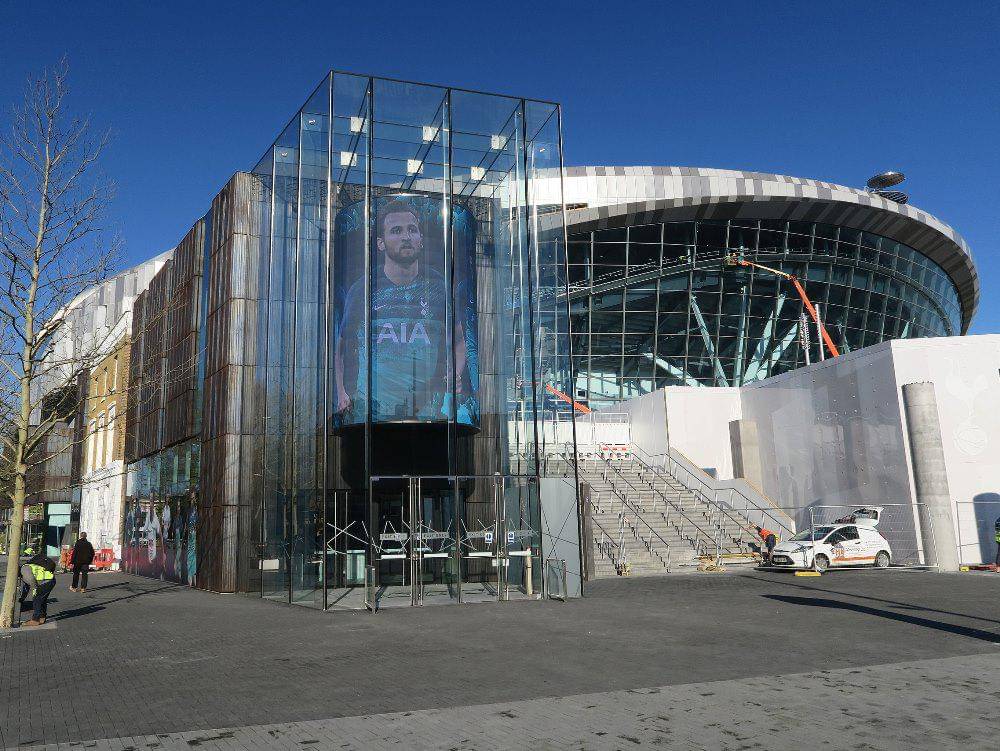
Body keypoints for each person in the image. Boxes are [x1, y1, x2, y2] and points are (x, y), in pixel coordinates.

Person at [334, 199, 467, 423]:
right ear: (381, 243)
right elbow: (340, 347)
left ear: (421, 240)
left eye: (411, 230)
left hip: (426, 415)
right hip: (371, 414)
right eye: (396, 231)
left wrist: (456, 373)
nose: (406, 236)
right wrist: (341, 393)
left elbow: (460, 339)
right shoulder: (363, 289)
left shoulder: (438, 287)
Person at [22, 552, 56, 627]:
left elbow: (31, 580)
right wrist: (22, 598)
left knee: (37, 600)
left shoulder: (24, 569)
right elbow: (26, 588)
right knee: (42, 600)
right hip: (50, 580)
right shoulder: (28, 567)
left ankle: (35, 620)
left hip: (46, 582)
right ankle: (42, 617)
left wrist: (35, 590)